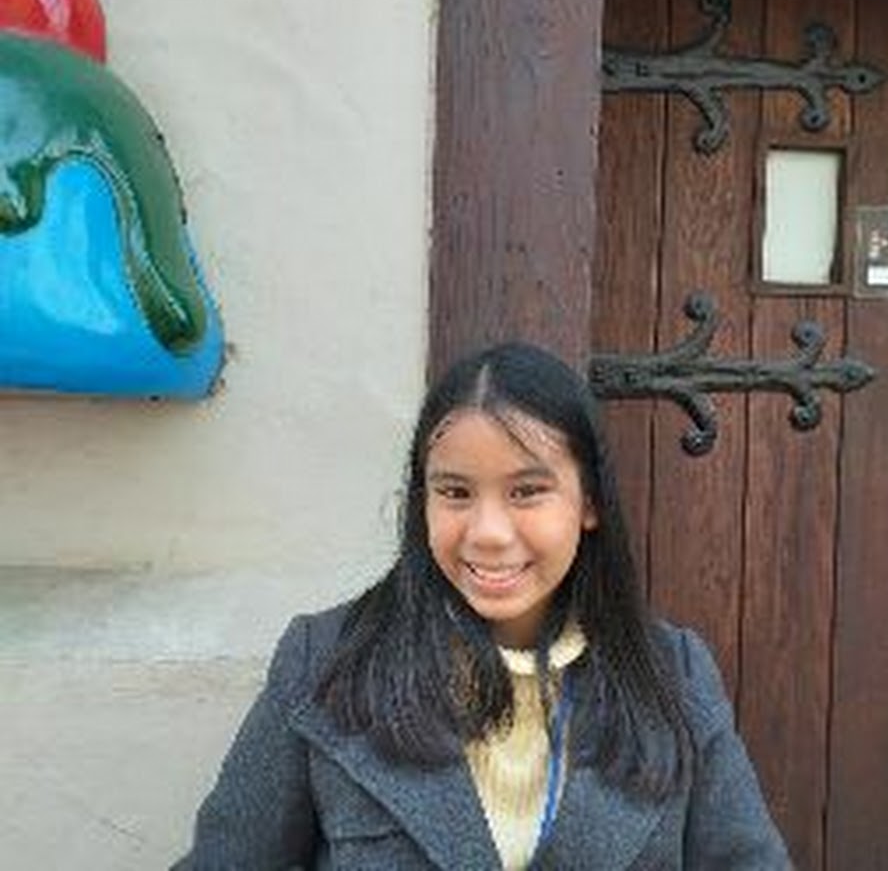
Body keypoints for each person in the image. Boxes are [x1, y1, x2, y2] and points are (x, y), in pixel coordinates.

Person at [174, 342, 791, 870]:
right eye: (455, 492)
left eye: (527, 491)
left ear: (589, 503)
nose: (488, 533)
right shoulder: (325, 662)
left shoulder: (674, 676)